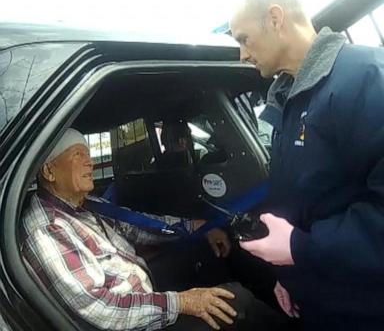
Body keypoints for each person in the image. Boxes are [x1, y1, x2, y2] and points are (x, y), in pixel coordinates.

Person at [20, 128, 288, 331]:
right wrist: (181, 302)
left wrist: (196, 229)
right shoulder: (48, 228)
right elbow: (100, 308)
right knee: (235, 302)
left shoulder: (84, 204)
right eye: (78, 156)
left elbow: (136, 225)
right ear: (49, 171)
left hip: (140, 288)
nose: (89, 162)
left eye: (87, 155)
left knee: (208, 251)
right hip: (128, 321)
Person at [230, 0, 384, 330]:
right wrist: (289, 273)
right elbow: (300, 202)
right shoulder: (288, 100)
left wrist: (300, 247)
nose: (242, 54)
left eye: (244, 38)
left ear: (275, 18)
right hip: (316, 298)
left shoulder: (367, 79)